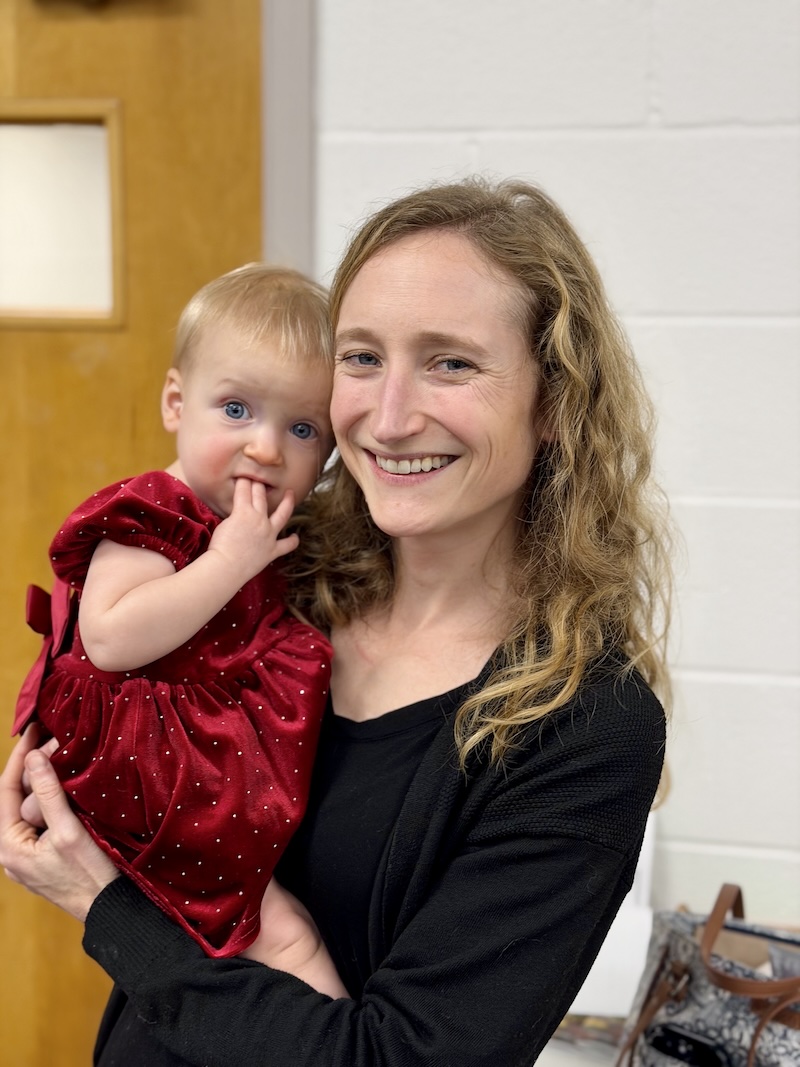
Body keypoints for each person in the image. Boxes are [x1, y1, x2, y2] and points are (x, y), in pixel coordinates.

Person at [1, 177, 672, 1065]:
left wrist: (103, 905)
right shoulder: (277, 580)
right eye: (361, 358)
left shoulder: (585, 727)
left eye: (451, 362)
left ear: (554, 402)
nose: (388, 418)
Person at [9, 264, 341, 971]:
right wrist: (228, 562)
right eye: (236, 409)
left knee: (273, 938)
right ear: (175, 402)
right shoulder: (155, 512)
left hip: (191, 772)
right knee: (284, 936)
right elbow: (109, 638)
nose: (266, 447)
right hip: (134, 771)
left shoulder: (260, 529)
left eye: (303, 428)